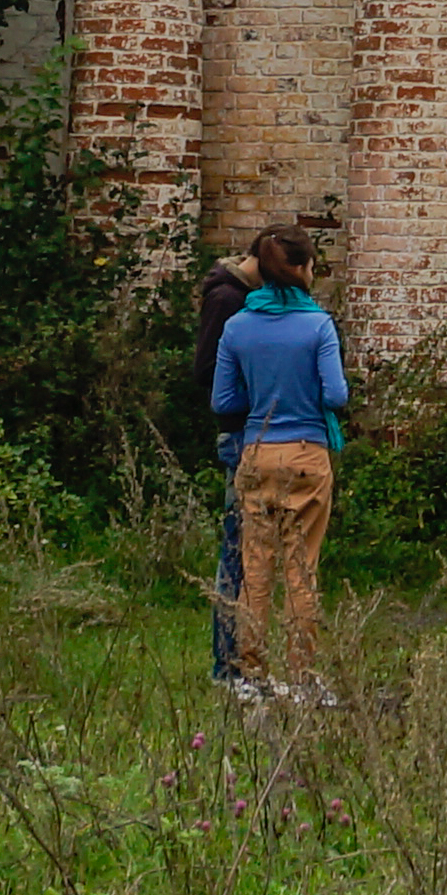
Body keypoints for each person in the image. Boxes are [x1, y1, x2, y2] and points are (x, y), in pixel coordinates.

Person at [205, 225, 345, 699]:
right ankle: (305, 677)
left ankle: (251, 675)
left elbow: (223, 399)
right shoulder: (318, 325)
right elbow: (337, 394)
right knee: (301, 570)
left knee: (255, 567)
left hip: (255, 454)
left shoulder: (238, 326)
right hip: (307, 452)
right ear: (306, 269)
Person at [187, 238, 261, 688]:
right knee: (237, 551)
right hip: (240, 431)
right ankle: (227, 665)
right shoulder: (227, 299)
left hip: (253, 431)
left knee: (248, 549)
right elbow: (207, 371)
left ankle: (240, 661)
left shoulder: (240, 296)